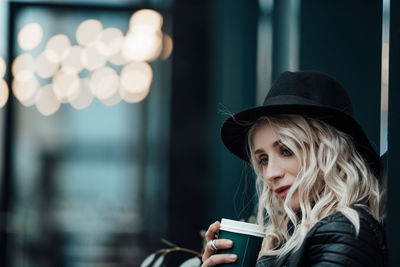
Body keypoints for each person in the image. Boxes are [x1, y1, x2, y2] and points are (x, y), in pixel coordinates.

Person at [201, 71, 387, 267]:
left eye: (286, 151)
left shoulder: (343, 230)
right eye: (263, 160)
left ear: (329, 152)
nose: (271, 174)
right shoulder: (291, 235)